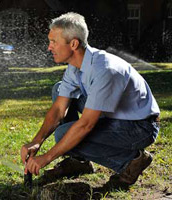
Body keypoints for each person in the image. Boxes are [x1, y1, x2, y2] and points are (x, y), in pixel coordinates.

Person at [20, 12, 160, 185]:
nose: (49, 47)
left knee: (64, 134)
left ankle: (131, 161)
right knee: (59, 91)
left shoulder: (105, 70)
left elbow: (86, 125)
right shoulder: (75, 66)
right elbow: (58, 109)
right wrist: (36, 141)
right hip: (115, 116)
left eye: (53, 42)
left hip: (140, 127)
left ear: (73, 44)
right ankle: (79, 162)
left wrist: (46, 158)